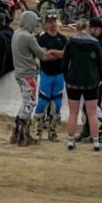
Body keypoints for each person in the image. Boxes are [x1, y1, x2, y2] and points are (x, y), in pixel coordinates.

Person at [10, 10, 64, 146]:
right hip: (28, 74)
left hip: (20, 72)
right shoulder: (29, 37)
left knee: (26, 102)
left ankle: (18, 133)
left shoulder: (16, 33)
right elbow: (43, 56)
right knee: (30, 103)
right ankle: (22, 135)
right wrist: (58, 53)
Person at [62, 19, 102, 151]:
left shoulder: (71, 42)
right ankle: (96, 142)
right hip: (91, 81)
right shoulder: (95, 43)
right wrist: (99, 78)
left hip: (73, 80)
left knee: (73, 113)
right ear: (87, 28)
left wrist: (67, 77)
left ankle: (70, 140)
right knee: (91, 113)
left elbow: (64, 62)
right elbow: (100, 63)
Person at [33, 12, 68, 142]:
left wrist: (53, 52)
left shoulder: (63, 39)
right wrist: (57, 54)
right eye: (49, 22)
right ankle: (38, 130)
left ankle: (53, 131)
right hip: (46, 74)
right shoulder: (41, 38)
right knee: (42, 102)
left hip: (59, 74)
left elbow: (65, 54)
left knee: (57, 104)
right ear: (45, 23)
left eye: (54, 21)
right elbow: (44, 56)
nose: (52, 24)